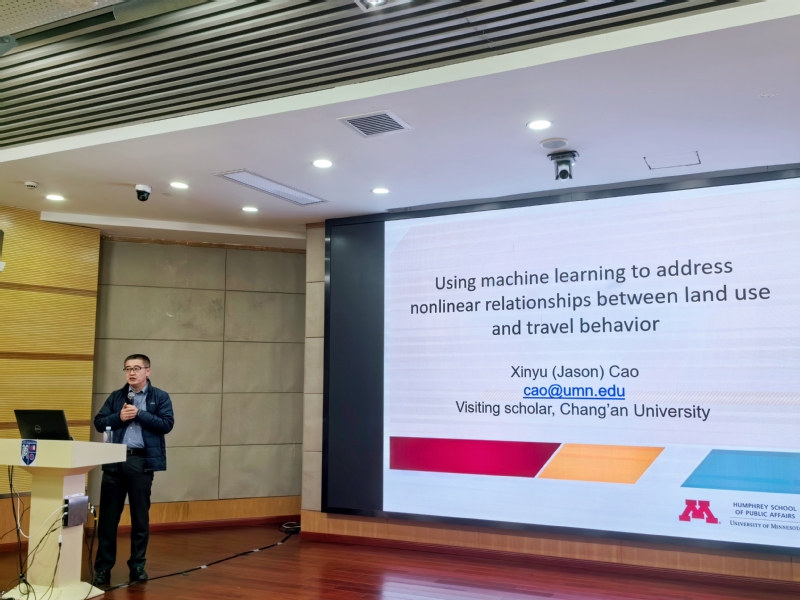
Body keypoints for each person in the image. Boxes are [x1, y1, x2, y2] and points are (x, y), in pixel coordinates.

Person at [92, 354, 174, 587]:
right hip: (114, 460)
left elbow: (166, 424)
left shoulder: (160, 397)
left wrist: (140, 414)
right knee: (108, 520)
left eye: (137, 368)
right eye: (128, 368)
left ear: (147, 371)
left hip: (141, 462)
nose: (132, 372)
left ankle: (137, 565)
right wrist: (119, 417)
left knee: (139, 517)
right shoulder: (116, 396)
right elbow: (99, 422)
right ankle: (103, 569)